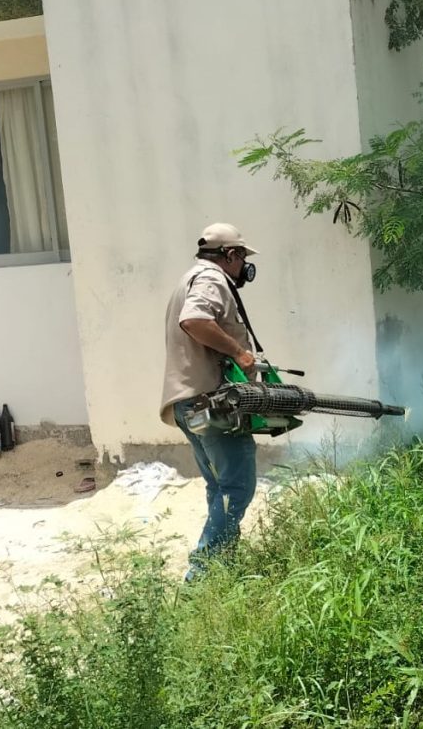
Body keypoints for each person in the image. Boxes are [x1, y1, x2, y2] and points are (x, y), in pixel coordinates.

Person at [160, 222, 262, 581]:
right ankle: (200, 579)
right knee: (237, 487)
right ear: (231, 256)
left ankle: (223, 570)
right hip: (210, 405)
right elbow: (195, 319)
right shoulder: (212, 279)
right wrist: (240, 353)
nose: (245, 267)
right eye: (242, 258)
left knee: (219, 487)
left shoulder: (189, 276)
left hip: (189, 404)